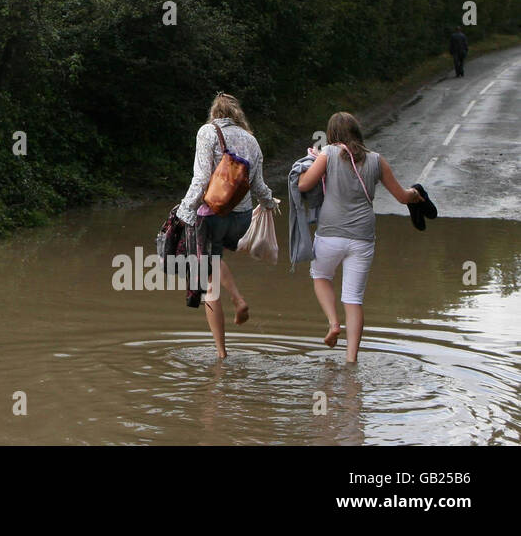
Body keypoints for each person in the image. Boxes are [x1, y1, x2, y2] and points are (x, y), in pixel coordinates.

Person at [296, 112, 422, 362]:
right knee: (353, 298)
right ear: (358, 133)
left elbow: (303, 185)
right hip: (362, 237)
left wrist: (306, 166)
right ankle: (351, 359)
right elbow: (401, 196)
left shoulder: (328, 154)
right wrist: (416, 195)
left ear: (331, 135)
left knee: (321, 276)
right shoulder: (376, 160)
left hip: (330, 234)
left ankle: (333, 324)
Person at [176, 93, 277, 358]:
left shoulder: (207, 132)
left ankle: (221, 352)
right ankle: (236, 300)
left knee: (211, 282)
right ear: (237, 114)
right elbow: (258, 185)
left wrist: (184, 212)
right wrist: (269, 203)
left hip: (212, 213)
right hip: (241, 219)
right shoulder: (251, 140)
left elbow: (200, 179)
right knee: (214, 257)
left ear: (215, 113)